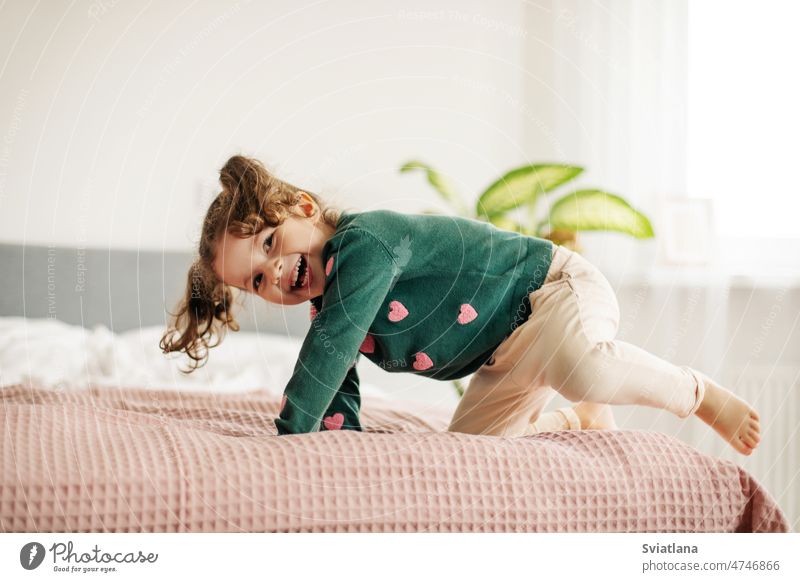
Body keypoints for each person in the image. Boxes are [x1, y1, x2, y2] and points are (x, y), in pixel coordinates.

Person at [160, 155, 761, 455]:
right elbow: (336, 395)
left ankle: (698, 393)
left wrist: (283, 438)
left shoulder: (363, 247)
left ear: (303, 206)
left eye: (270, 244)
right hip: (506, 354)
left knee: (587, 370)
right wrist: (324, 450)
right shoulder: (333, 310)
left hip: (552, 291)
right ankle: (576, 422)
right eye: (258, 281)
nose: (276, 272)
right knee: (470, 454)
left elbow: (326, 354)